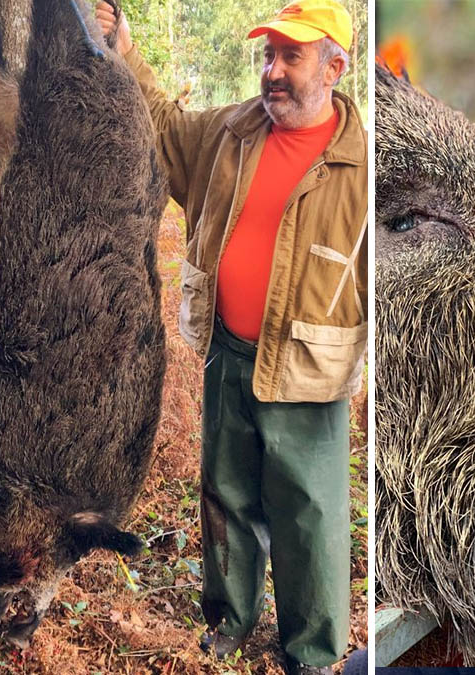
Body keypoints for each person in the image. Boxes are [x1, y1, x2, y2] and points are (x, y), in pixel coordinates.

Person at [95, 2, 367, 673]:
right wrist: (126, 51)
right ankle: (229, 618)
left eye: (290, 57)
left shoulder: (366, 162)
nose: (273, 71)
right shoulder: (232, 131)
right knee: (226, 492)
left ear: (335, 66)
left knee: (309, 512)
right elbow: (163, 128)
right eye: (268, 55)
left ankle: (310, 647)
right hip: (228, 351)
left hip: (308, 365)